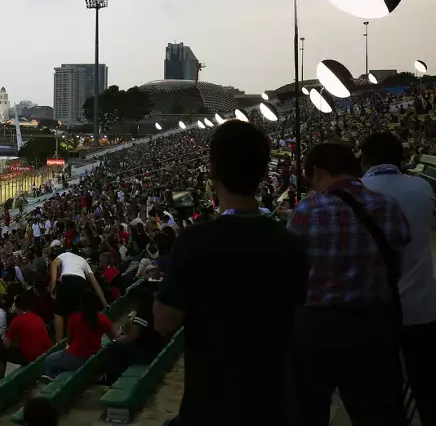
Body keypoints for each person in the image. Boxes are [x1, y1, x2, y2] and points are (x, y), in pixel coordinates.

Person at [154, 120, 308, 426]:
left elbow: (164, 323)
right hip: (274, 403)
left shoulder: (195, 241)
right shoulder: (291, 243)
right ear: (264, 172)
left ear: (213, 171)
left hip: (212, 404)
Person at [290, 142, 410, 426]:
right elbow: (398, 263)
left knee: (309, 411)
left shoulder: (308, 209)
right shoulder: (388, 207)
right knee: (378, 412)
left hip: (316, 329)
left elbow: (292, 270)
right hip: (374, 326)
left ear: (318, 171)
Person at [361, 131, 436, 426]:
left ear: (364, 159)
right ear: (401, 158)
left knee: (382, 394)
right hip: (423, 307)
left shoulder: (358, 190)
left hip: (376, 310)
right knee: (428, 390)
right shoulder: (421, 187)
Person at [43, 292, 114, 378]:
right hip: (92, 356)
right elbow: (113, 337)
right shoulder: (103, 319)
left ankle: (53, 380)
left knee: (49, 360)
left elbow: (69, 340)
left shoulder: (74, 318)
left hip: (75, 358)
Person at [49, 247, 109, 341]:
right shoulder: (84, 261)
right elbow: (95, 285)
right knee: (76, 313)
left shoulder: (65, 255)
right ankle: (81, 338)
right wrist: (105, 303)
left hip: (68, 280)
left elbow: (53, 264)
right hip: (81, 284)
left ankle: (59, 342)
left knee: (58, 312)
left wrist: (53, 284)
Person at [0, 293, 52, 376]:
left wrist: (4, 338)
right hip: (44, 354)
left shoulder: (17, 320)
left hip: (31, 357)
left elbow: (7, 345)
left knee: (1, 350)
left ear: (17, 307)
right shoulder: (38, 318)